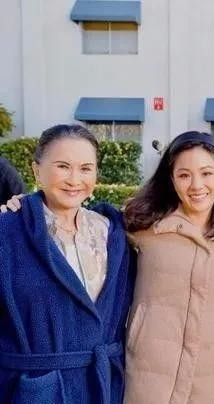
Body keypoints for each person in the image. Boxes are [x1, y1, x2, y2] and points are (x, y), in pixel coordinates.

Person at [0, 124, 135, 404]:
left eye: (86, 168)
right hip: (37, 389)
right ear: (37, 170)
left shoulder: (112, 231)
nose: (75, 179)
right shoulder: (9, 230)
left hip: (103, 385)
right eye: (63, 166)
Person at [122, 131, 214, 404]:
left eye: (206, 173)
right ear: (171, 179)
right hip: (149, 371)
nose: (196, 185)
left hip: (210, 375)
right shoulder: (142, 225)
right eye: (184, 175)